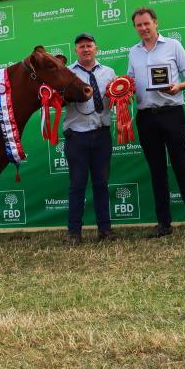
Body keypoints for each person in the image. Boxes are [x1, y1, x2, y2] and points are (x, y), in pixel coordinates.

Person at [127, 6, 185, 238]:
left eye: (146, 23)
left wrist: (179, 86)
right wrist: (121, 89)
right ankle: (164, 224)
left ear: (156, 23)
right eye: (139, 25)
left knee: (182, 167)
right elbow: (130, 81)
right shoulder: (133, 52)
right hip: (146, 116)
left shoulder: (173, 45)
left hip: (172, 113)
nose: (143, 28)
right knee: (157, 171)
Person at [62, 33, 117, 245]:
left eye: (89, 45)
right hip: (76, 136)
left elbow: (116, 98)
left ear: (96, 48)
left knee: (101, 184)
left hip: (102, 134)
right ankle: (74, 232)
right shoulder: (67, 73)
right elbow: (59, 100)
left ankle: (105, 230)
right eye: (81, 46)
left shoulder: (108, 73)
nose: (86, 49)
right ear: (75, 50)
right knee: (77, 185)